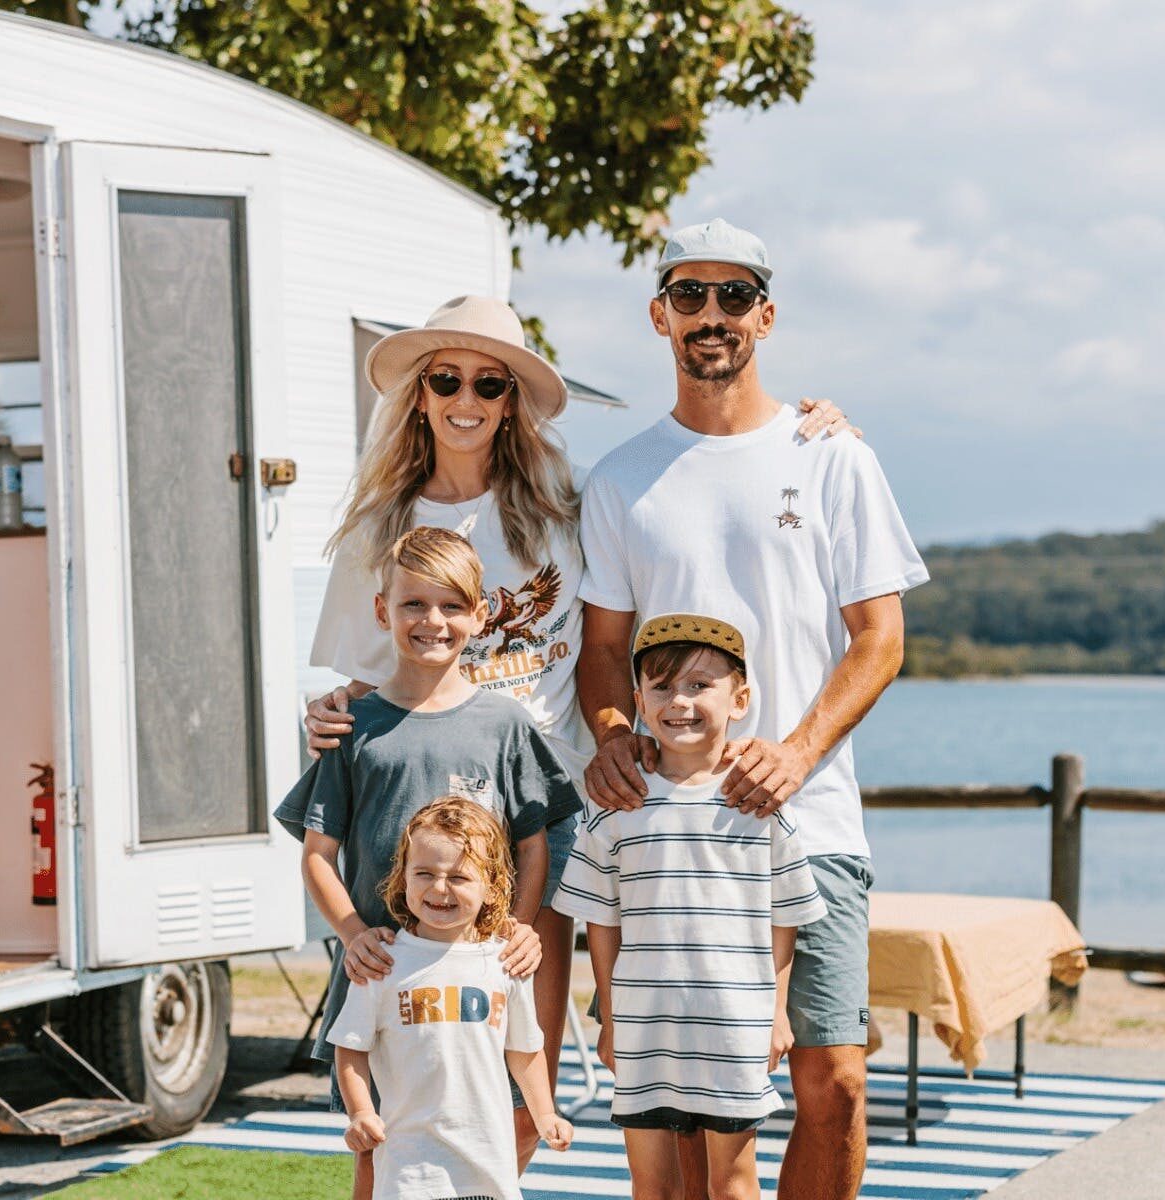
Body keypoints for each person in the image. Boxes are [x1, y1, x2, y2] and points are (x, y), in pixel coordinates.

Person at [301, 294, 855, 1161]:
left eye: (490, 381)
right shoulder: (379, 526)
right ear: (418, 393)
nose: (467, 397)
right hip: (411, 829)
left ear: (514, 399)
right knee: (399, 1076)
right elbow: (358, 681)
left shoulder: (565, 505)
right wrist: (328, 715)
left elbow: (675, 527)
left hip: (536, 819)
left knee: (525, 1073)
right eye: (445, 377)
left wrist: (809, 428)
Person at [576, 218, 930, 1200]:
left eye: (734, 296)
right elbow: (603, 651)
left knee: (835, 1082)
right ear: (659, 315)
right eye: (689, 295)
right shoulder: (620, 479)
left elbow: (880, 637)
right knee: (691, 1115)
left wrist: (798, 751)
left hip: (808, 823)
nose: (711, 315)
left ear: (765, 317)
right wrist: (612, 738)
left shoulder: (832, 457)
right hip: (675, 836)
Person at [274, 526, 583, 1200]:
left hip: (476, 979)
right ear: (383, 611)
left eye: (450, 606)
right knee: (376, 1147)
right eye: (413, 605)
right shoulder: (354, 727)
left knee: (489, 1135)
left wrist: (519, 926)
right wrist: (355, 935)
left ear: (480, 615)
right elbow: (318, 857)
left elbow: (535, 842)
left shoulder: (505, 725)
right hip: (384, 976)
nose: (432, 622)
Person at [553, 615, 827, 1200]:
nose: (679, 701)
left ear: (740, 699)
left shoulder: (757, 805)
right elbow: (601, 923)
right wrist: (612, 1016)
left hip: (733, 1027)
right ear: (639, 701)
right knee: (653, 1186)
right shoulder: (616, 806)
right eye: (661, 687)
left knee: (732, 1183)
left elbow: (785, 919)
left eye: (700, 685)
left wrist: (776, 1014)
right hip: (645, 1026)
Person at [331, 795, 574, 1200]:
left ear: (493, 888)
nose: (439, 888)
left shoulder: (505, 962)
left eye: (459, 877)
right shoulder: (382, 962)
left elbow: (524, 1050)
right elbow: (351, 1047)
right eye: (424, 873)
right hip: (410, 1167)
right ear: (403, 878)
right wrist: (360, 1112)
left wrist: (545, 1113)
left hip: (488, 1163)